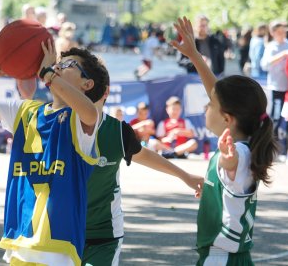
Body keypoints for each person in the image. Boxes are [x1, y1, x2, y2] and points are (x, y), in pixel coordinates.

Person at [0, 43, 109, 265]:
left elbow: (89, 111)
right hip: (20, 241)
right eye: (58, 63)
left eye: (69, 64)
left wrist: (48, 74)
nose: (58, 66)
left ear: (87, 84)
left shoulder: (82, 120)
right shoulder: (26, 111)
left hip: (58, 247)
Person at [171, 16, 278, 265]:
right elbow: (218, 93)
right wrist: (195, 57)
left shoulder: (236, 154)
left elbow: (235, 164)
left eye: (210, 105)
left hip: (221, 258)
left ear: (227, 118)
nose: (206, 106)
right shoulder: (245, 141)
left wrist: (230, 164)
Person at [82, 86, 203, 266]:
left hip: (103, 233)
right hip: (64, 229)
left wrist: (184, 175)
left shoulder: (117, 130)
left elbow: (144, 155)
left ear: (103, 91)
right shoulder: (60, 125)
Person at [260, 20, 288, 140]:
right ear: (273, 33)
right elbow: (264, 65)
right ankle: (272, 146)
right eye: (279, 32)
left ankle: (287, 148)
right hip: (276, 88)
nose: (282, 34)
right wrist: (283, 55)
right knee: (276, 117)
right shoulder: (270, 47)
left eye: (283, 32)